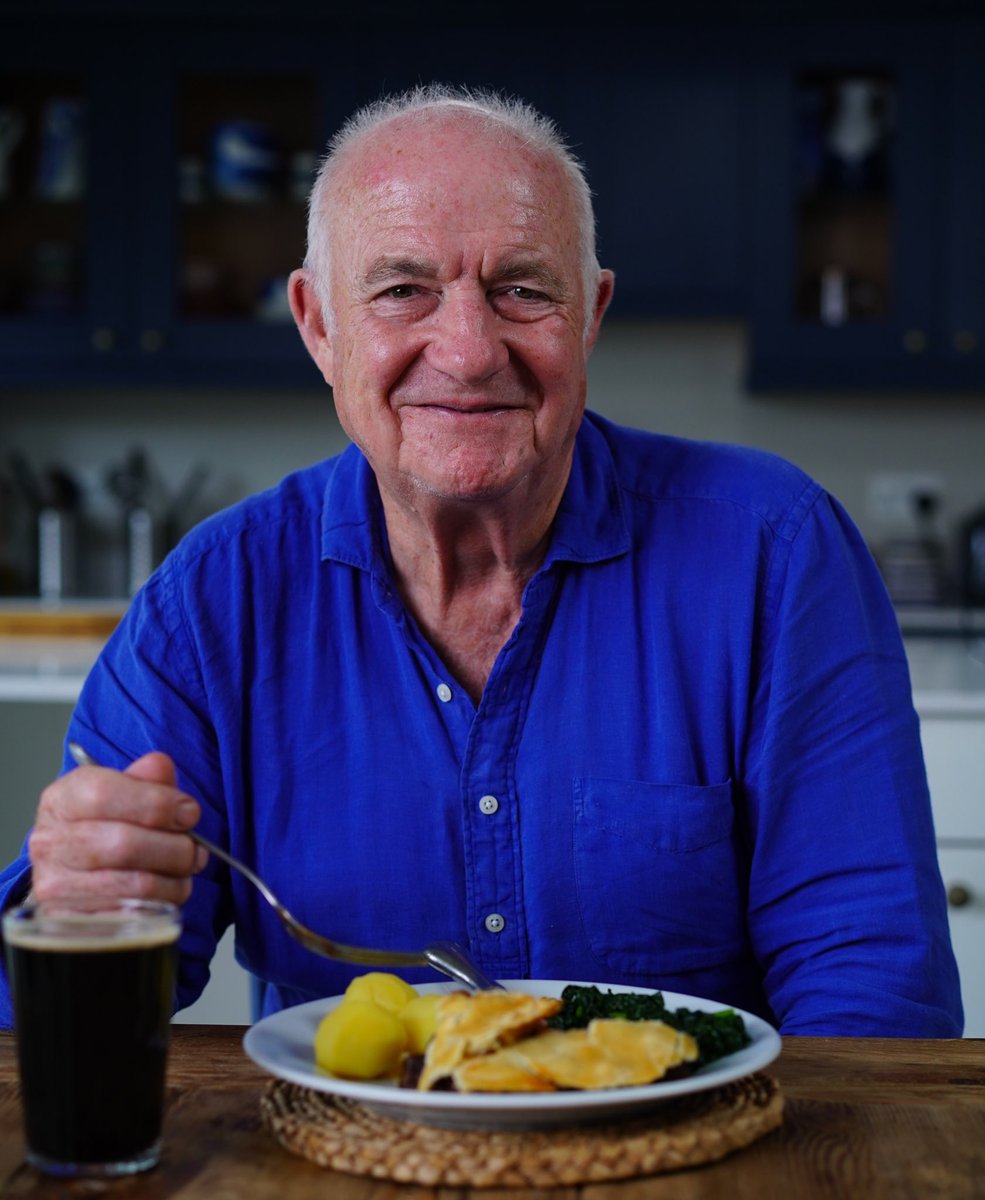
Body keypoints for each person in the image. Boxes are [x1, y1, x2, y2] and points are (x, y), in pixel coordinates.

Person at [0, 85, 962, 1036]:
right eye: (402, 291)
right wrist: (73, 916)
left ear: (589, 314)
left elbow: (873, 992)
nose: (467, 351)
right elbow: (67, 1012)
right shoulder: (211, 605)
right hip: (342, 1140)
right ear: (318, 325)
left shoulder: (774, 555)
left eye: (522, 291)